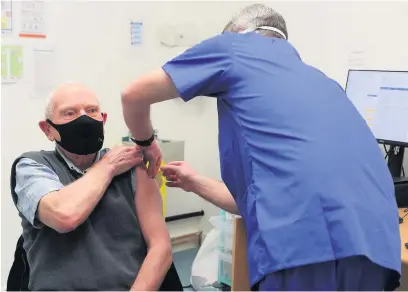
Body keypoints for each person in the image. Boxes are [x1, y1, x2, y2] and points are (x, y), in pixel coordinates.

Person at [120, 3, 401, 291]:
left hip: (305, 246)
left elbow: (133, 95)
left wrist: (146, 143)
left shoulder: (233, 47)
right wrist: (195, 183)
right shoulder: (322, 82)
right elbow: (265, 201)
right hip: (377, 244)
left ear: (240, 33)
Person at [10, 83, 175, 291]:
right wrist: (107, 167)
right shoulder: (32, 167)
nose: (84, 119)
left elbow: (161, 248)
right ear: (48, 129)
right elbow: (64, 215)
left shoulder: (133, 168)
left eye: (91, 111)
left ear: (103, 120)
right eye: (69, 113)